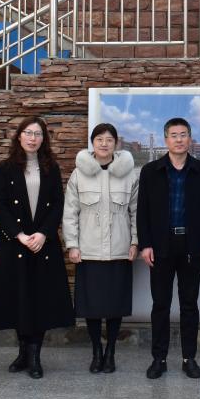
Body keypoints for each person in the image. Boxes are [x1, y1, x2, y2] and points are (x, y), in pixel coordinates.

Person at [0, 116, 75, 379]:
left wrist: (44, 233)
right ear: (19, 136)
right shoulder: (4, 168)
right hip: (15, 243)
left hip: (43, 244)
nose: (33, 138)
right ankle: (23, 352)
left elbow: (58, 204)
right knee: (19, 298)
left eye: (38, 134)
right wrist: (19, 235)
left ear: (43, 139)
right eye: (28, 133)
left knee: (40, 300)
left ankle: (35, 356)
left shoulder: (51, 168)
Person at [136, 117, 200, 379]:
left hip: (192, 245)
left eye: (183, 135)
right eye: (174, 135)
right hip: (161, 245)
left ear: (190, 139)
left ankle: (188, 358)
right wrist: (145, 244)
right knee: (160, 304)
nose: (179, 139)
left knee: (189, 304)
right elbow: (142, 211)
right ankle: (158, 359)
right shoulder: (151, 171)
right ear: (166, 140)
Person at [62, 122, 139, 374]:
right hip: (89, 252)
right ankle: (96, 351)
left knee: (115, 307)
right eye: (99, 139)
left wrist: (135, 241)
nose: (104, 144)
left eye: (109, 140)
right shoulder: (79, 174)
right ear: (92, 143)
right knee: (92, 307)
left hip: (119, 250)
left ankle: (111, 352)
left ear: (116, 143)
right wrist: (72, 245)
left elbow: (137, 212)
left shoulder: (129, 174)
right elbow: (70, 213)